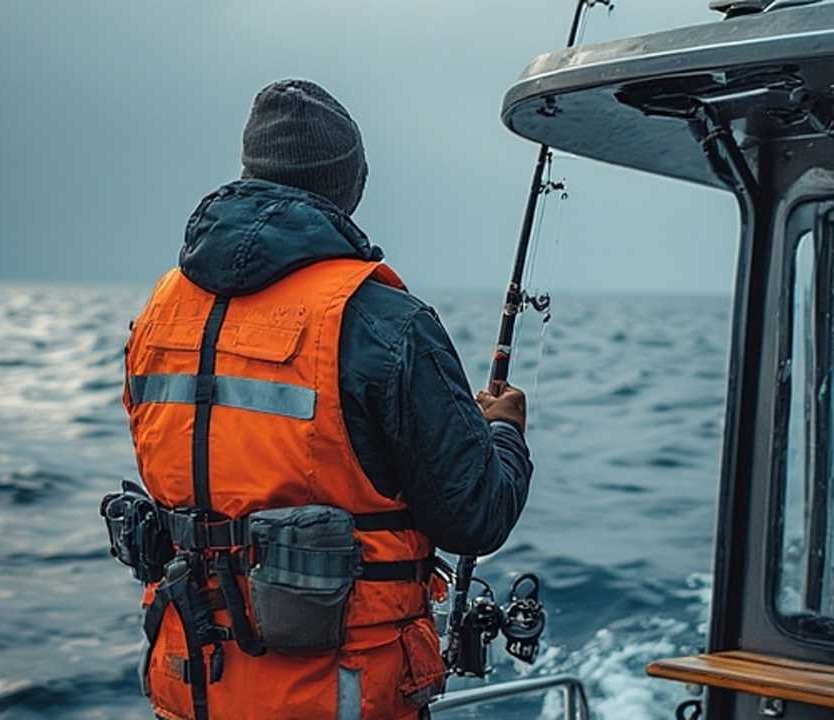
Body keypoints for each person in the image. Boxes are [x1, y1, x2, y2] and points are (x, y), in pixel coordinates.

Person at [117, 78, 533, 720]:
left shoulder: (161, 312)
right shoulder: (381, 321)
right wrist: (502, 433)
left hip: (190, 684)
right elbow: (475, 516)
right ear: (352, 184)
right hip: (338, 695)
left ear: (252, 168)